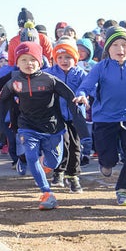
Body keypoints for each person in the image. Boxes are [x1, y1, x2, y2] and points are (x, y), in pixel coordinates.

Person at [0, 42, 90, 210]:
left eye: (32, 59)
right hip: (28, 126)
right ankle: (47, 193)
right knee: (32, 157)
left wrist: (83, 132)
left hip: (53, 128)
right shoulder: (14, 82)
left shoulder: (49, 80)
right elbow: (2, 101)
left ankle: (45, 165)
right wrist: (2, 131)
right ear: (17, 63)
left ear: (40, 61)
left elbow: (71, 98)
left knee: (54, 162)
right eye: (23, 60)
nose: (28, 63)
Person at [74, 26, 126, 205]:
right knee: (109, 160)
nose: (121, 49)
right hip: (104, 119)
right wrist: (82, 94)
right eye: (116, 45)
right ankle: (105, 163)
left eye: (125, 45)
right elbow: (86, 86)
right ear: (107, 48)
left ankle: (123, 190)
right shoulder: (100, 67)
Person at [45, 37, 87, 193]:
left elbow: (90, 88)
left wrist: (85, 97)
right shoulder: (49, 73)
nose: (64, 60)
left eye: (68, 57)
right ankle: (58, 171)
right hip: (57, 116)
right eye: (60, 57)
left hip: (75, 116)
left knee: (75, 146)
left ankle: (73, 176)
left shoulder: (81, 73)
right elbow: (36, 84)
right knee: (62, 143)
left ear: (75, 58)